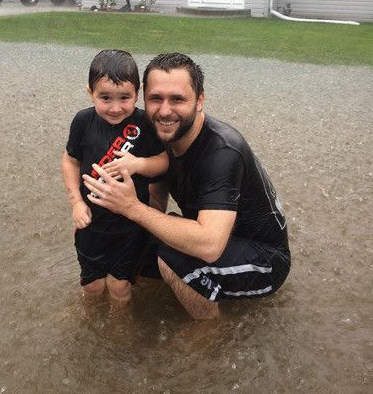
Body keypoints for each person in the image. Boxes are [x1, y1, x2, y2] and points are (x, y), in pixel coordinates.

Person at [82, 53, 291, 320]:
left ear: (200, 100)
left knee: (173, 256)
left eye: (178, 99)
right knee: (128, 242)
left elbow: (209, 245)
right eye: (156, 99)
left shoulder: (223, 151)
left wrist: (131, 207)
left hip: (264, 261)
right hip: (211, 235)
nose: (165, 111)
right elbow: (156, 202)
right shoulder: (157, 134)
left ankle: (207, 335)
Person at [61, 49, 168, 303]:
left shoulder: (144, 124)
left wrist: (137, 164)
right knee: (93, 285)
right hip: (91, 223)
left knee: (120, 288)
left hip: (131, 226)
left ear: (137, 94)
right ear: (90, 93)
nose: (115, 108)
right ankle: (91, 330)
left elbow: (163, 163)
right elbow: (69, 160)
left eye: (125, 98)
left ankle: (119, 332)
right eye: (105, 98)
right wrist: (75, 201)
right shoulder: (83, 122)